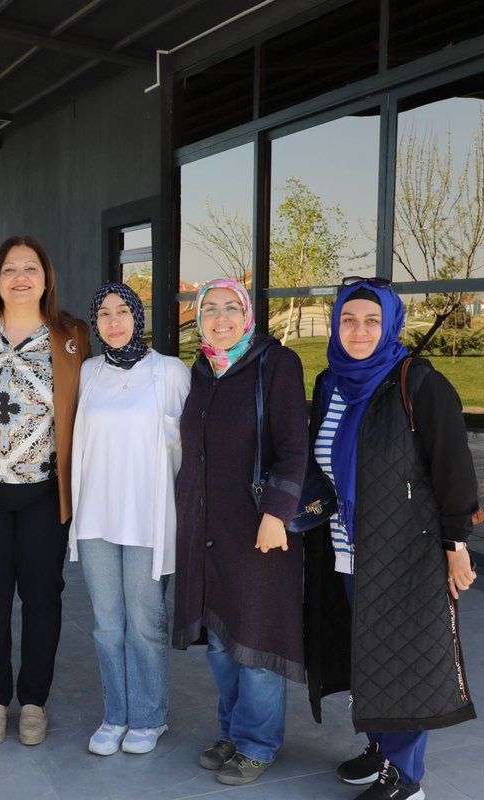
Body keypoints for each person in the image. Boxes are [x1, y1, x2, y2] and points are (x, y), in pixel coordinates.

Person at [304, 277, 478, 800]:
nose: (359, 331)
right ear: (335, 323)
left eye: (372, 321)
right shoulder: (329, 383)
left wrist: (456, 543)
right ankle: (381, 751)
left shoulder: (419, 383)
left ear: (391, 325)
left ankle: (405, 779)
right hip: (347, 543)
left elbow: (454, 470)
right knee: (368, 653)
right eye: (349, 319)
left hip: (406, 549)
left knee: (402, 656)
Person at [0, 235, 92, 746]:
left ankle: (33, 701)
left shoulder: (72, 334)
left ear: (47, 278)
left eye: (32, 268)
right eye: (10, 269)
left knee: (43, 597)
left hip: (44, 492)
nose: (21, 277)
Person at [171, 278, 309, 787]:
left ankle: (258, 743)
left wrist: (276, 512)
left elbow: (295, 444)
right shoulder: (203, 369)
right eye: (210, 308)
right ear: (199, 316)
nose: (221, 317)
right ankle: (232, 732)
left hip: (259, 530)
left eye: (232, 308)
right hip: (208, 528)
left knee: (256, 642)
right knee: (220, 643)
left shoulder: (277, 364)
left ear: (248, 315)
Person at [68, 282, 191, 756]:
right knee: (106, 623)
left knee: (144, 621)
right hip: (97, 518)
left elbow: (186, 451)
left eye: (123, 311)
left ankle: (148, 715)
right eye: (104, 314)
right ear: (95, 323)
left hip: (146, 519)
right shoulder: (89, 372)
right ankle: (114, 713)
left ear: (138, 317)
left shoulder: (169, 372)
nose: (114, 321)